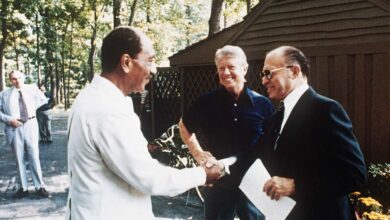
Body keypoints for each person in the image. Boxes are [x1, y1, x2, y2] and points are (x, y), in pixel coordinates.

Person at [66, 26, 224, 220]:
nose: (154, 69)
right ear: (126, 62)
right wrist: (202, 174)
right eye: (150, 60)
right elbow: (149, 178)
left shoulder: (90, 97)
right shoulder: (107, 110)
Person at [233, 46, 367, 220]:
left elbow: (354, 174)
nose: (264, 81)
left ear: (294, 71)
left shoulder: (325, 109)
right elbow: (257, 153)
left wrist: (297, 185)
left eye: (269, 73)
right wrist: (220, 166)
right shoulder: (279, 116)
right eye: (263, 75)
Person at [179, 45, 273, 220]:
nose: (226, 72)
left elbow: (269, 143)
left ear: (244, 69)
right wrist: (198, 153)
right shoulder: (206, 102)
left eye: (231, 67)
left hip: (252, 183)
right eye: (221, 68)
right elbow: (184, 126)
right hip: (218, 182)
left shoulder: (263, 104)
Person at [0, 70, 50, 198]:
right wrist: (9, 120)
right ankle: (23, 187)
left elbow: (43, 100)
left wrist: (32, 111)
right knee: (19, 158)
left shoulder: (32, 89)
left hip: (30, 125)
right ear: (10, 80)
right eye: (13, 79)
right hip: (14, 128)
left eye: (19, 78)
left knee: (34, 156)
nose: (17, 81)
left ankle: (40, 186)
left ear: (23, 78)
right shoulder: (4, 94)